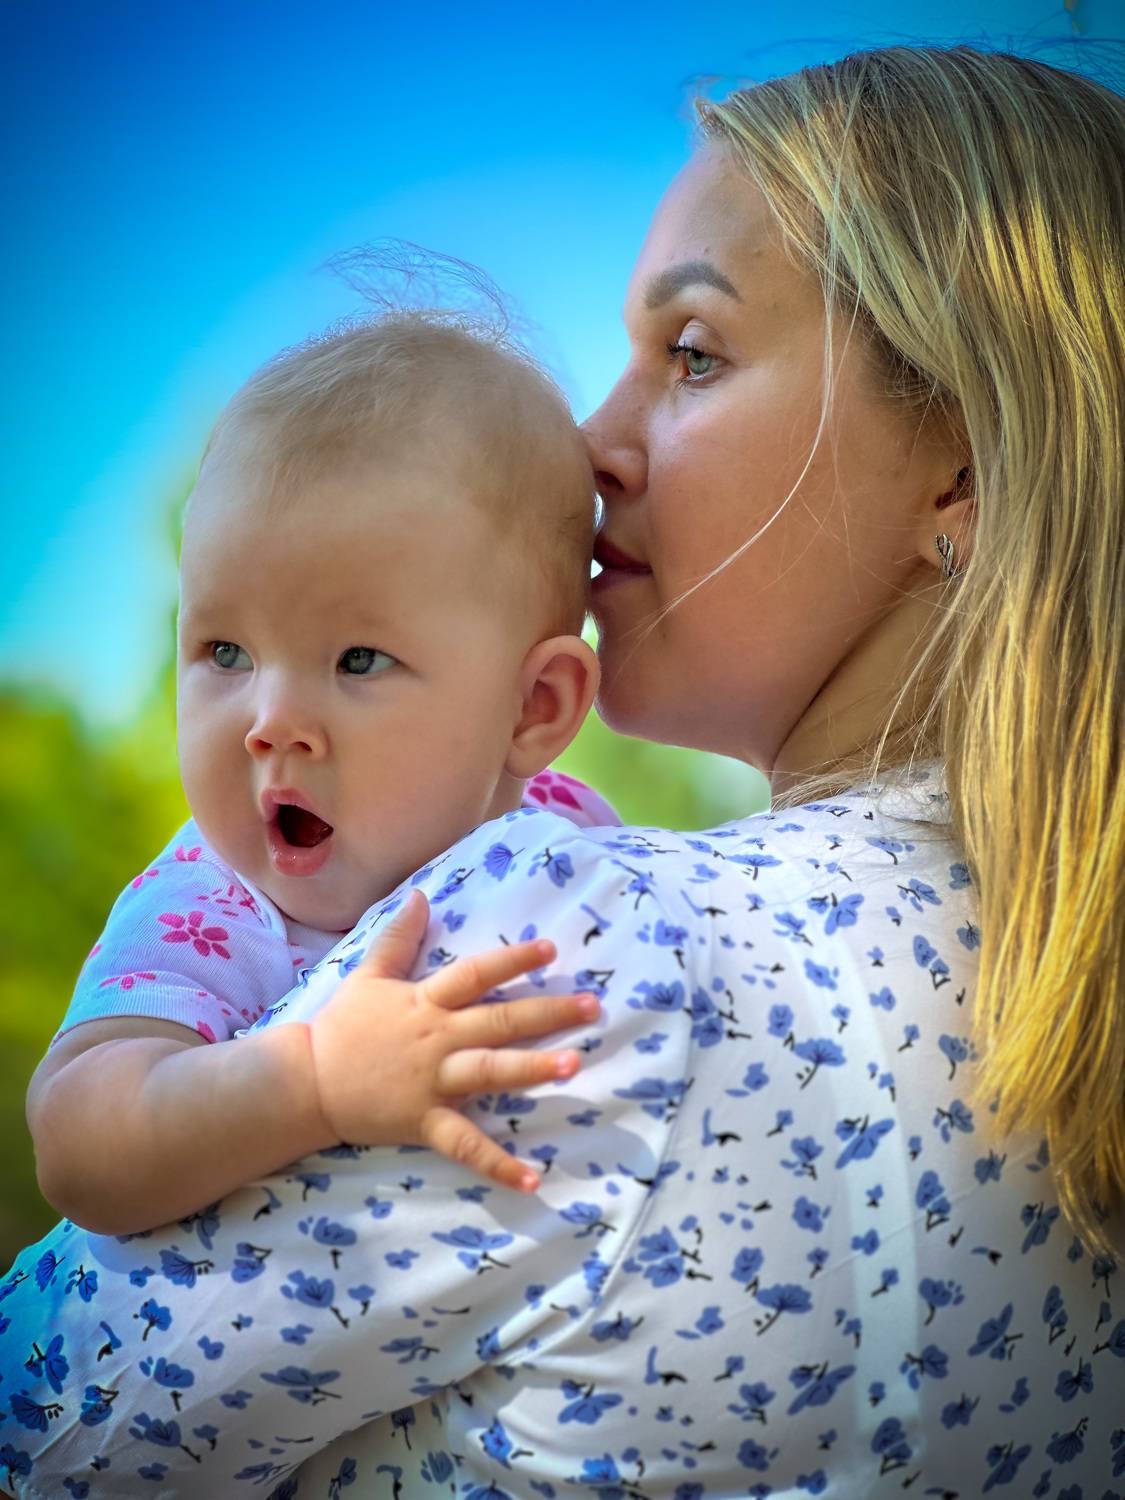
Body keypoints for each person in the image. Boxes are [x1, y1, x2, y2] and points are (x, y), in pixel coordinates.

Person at [2, 40, 1123, 1500]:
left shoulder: (572, 939)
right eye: (220, 651)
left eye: (694, 354)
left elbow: (51, 1420)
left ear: (958, 469)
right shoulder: (1069, 1009)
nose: (593, 445)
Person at [23, 311, 622, 1236]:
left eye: (357, 660)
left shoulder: (577, 828)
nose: (270, 723)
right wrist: (312, 1079)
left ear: (533, 706)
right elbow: (78, 1147)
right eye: (225, 651)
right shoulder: (210, 906)